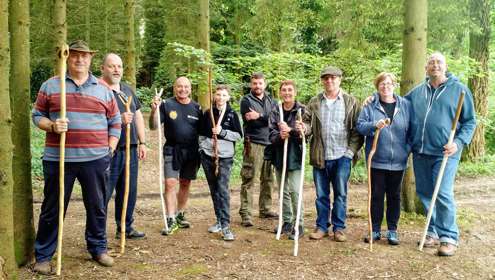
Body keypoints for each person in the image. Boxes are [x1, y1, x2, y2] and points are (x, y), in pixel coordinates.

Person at [32, 40, 121, 274]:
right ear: (66, 58)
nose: (79, 59)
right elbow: (37, 115)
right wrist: (51, 125)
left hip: (95, 159)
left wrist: (110, 148)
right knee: (52, 208)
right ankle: (43, 256)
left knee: (97, 205)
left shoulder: (103, 89)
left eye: (84, 56)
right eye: (74, 55)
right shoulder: (51, 86)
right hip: (58, 159)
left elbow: (115, 122)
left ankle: (98, 248)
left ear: (91, 59)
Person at [406, 53, 476, 256]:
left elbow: (470, 121)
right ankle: (433, 231)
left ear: (445, 66)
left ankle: (449, 237)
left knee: (443, 193)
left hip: (445, 152)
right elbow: (397, 105)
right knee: (425, 193)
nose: (435, 66)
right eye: (431, 62)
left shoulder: (459, 90)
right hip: (420, 152)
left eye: (439, 62)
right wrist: (373, 99)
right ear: (426, 68)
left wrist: (458, 142)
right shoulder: (418, 91)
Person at [301, 66, 363, 242]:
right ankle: (322, 227)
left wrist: (350, 153)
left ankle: (339, 228)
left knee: (341, 194)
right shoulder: (314, 102)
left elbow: (358, 131)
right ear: (322, 81)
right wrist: (303, 129)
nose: (329, 81)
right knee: (321, 195)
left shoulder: (351, 102)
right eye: (326, 78)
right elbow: (307, 125)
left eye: (333, 78)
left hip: (342, 156)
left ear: (340, 79)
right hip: (320, 155)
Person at [356, 72, 412, 246]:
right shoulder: (370, 105)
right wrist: (374, 125)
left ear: (393, 85)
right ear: (377, 86)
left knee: (394, 196)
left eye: (388, 83)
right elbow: (360, 126)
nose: (385, 86)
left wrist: (406, 149)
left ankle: (392, 231)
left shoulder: (405, 105)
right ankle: (375, 230)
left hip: (398, 162)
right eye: (382, 84)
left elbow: (412, 130)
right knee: (377, 196)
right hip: (377, 160)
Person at [100, 53, 146, 240]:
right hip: (109, 151)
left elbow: (138, 116)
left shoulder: (127, 90)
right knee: (104, 192)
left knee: (129, 190)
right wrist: (119, 119)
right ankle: (98, 232)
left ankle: (125, 227)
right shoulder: (98, 90)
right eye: (112, 66)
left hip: (131, 149)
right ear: (103, 68)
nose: (117, 70)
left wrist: (142, 142)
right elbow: (93, 120)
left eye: (119, 66)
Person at [149, 77, 202, 235]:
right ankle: (170, 218)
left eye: (186, 87)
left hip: (192, 151)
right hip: (172, 149)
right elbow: (153, 126)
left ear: (190, 89)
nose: (183, 89)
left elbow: (203, 131)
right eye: (180, 86)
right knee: (170, 183)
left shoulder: (197, 108)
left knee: (185, 183)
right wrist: (154, 111)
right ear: (174, 88)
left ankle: (180, 214)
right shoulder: (166, 104)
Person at [199, 85, 243, 241]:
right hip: (208, 155)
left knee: (222, 189)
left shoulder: (232, 114)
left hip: (224, 157)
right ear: (214, 96)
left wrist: (222, 132)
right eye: (218, 94)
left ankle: (226, 225)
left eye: (224, 95)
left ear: (228, 97)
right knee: (213, 189)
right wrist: (203, 148)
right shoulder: (207, 113)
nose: (220, 97)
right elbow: (201, 134)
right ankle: (218, 219)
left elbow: (238, 135)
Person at [239, 72, 277, 227]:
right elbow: (253, 123)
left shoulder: (271, 100)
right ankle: (246, 213)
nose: (257, 86)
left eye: (260, 83)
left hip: (270, 143)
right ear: (251, 85)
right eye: (254, 83)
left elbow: (274, 120)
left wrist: (260, 116)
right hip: (253, 143)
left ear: (265, 84)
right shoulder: (246, 101)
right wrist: (265, 118)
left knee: (268, 179)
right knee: (249, 178)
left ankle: (265, 209)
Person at [269, 80, 306, 239]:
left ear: (295, 92)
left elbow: (307, 132)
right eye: (284, 90)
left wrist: (292, 131)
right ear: (280, 92)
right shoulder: (276, 110)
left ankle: (299, 223)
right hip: (279, 154)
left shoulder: (302, 110)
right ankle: (287, 221)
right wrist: (280, 136)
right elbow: (270, 134)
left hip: (295, 155)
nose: (287, 93)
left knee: (295, 190)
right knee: (283, 190)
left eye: (290, 90)